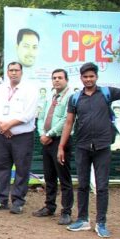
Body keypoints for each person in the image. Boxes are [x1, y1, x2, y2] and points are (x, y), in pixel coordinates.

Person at [58, 63, 120, 237]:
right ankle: (82, 220)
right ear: (81, 78)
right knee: (82, 185)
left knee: (102, 186)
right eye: (85, 76)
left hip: (103, 147)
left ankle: (101, 223)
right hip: (82, 146)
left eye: (91, 76)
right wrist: (61, 146)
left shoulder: (107, 93)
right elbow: (68, 123)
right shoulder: (75, 98)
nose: (88, 79)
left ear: (96, 77)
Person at [0, 62, 39, 214]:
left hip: (22, 136)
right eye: (11, 70)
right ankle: (1, 199)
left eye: (16, 70)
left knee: (22, 168)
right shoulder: (1, 88)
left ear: (22, 72)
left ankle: (18, 201)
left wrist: (8, 125)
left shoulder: (30, 89)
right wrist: (2, 127)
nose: (14, 73)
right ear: (7, 72)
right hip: (2, 135)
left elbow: (28, 114)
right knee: (1, 167)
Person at [33, 69, 74, 225]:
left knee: (64, 178)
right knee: (49, 176)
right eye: (54, 78)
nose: (57, 80)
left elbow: (66, 120)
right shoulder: (50, 96)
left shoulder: (70, 97)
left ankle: (66, 212)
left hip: (60, 140)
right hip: (46, 141)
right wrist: (42, 133)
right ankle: (49, 207)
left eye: (60, 78)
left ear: (66, 80)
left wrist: (49, 134)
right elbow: (41, 116)